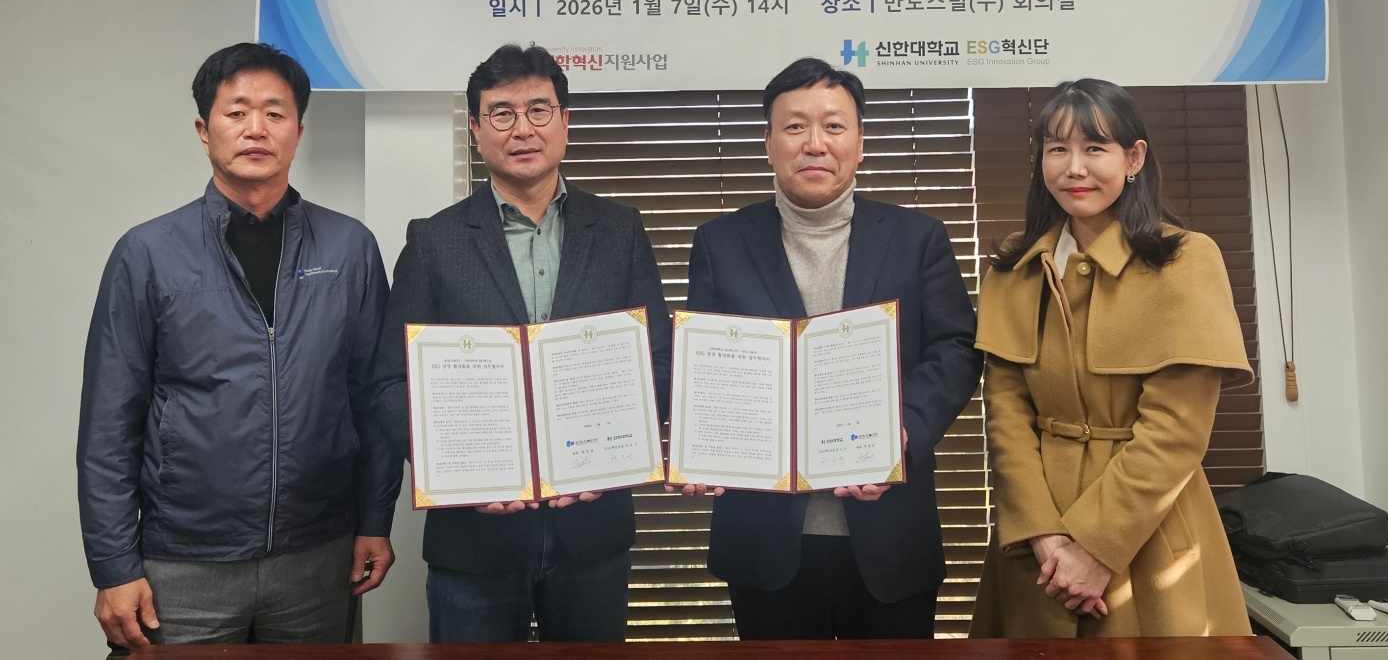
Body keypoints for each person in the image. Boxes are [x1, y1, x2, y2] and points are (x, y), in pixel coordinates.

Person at [77, 43, 400, 652]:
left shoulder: (349, 248)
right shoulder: (147, 253)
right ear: (205, 130)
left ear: (299, 130)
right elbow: (108, 423)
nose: (256, 128)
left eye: (275, 113)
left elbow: (373, 399)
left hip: (317, 554)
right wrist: (113, 565)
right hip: (182, 561)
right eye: (237, 112)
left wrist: (374, 520)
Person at [367, 43, 671, 643]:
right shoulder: (433, 241)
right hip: (472, 538)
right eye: (502, 113)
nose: (523, 129)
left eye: (539, 109)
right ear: (477, 130)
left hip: (594, 529)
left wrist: (613, 454)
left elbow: (656, 361)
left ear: (565, 121)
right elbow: (390, 383)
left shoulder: (620, 231)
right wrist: (455, 467)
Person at [678, 57, 982, 639]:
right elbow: (707, 365)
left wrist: (902, 431)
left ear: (860, 143)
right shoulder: (720, 242)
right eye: (794, 127)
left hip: (890, 532)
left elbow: (956, 348)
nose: (814, 143)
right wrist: (702, 444)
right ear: (768, 144)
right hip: (765, 538)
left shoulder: (918, 238)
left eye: (834, 126)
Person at [968, 78, 1254, 638]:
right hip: (1038, 547)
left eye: (1094, 148)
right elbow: (1005, 417)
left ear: (1134, 158)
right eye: (1057, 149)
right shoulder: (1012, 271)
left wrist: (1097, 547)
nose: (1074, 168)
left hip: (1145, 536)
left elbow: (1176, 430)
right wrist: (1044, 536)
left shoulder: (1185, 261)